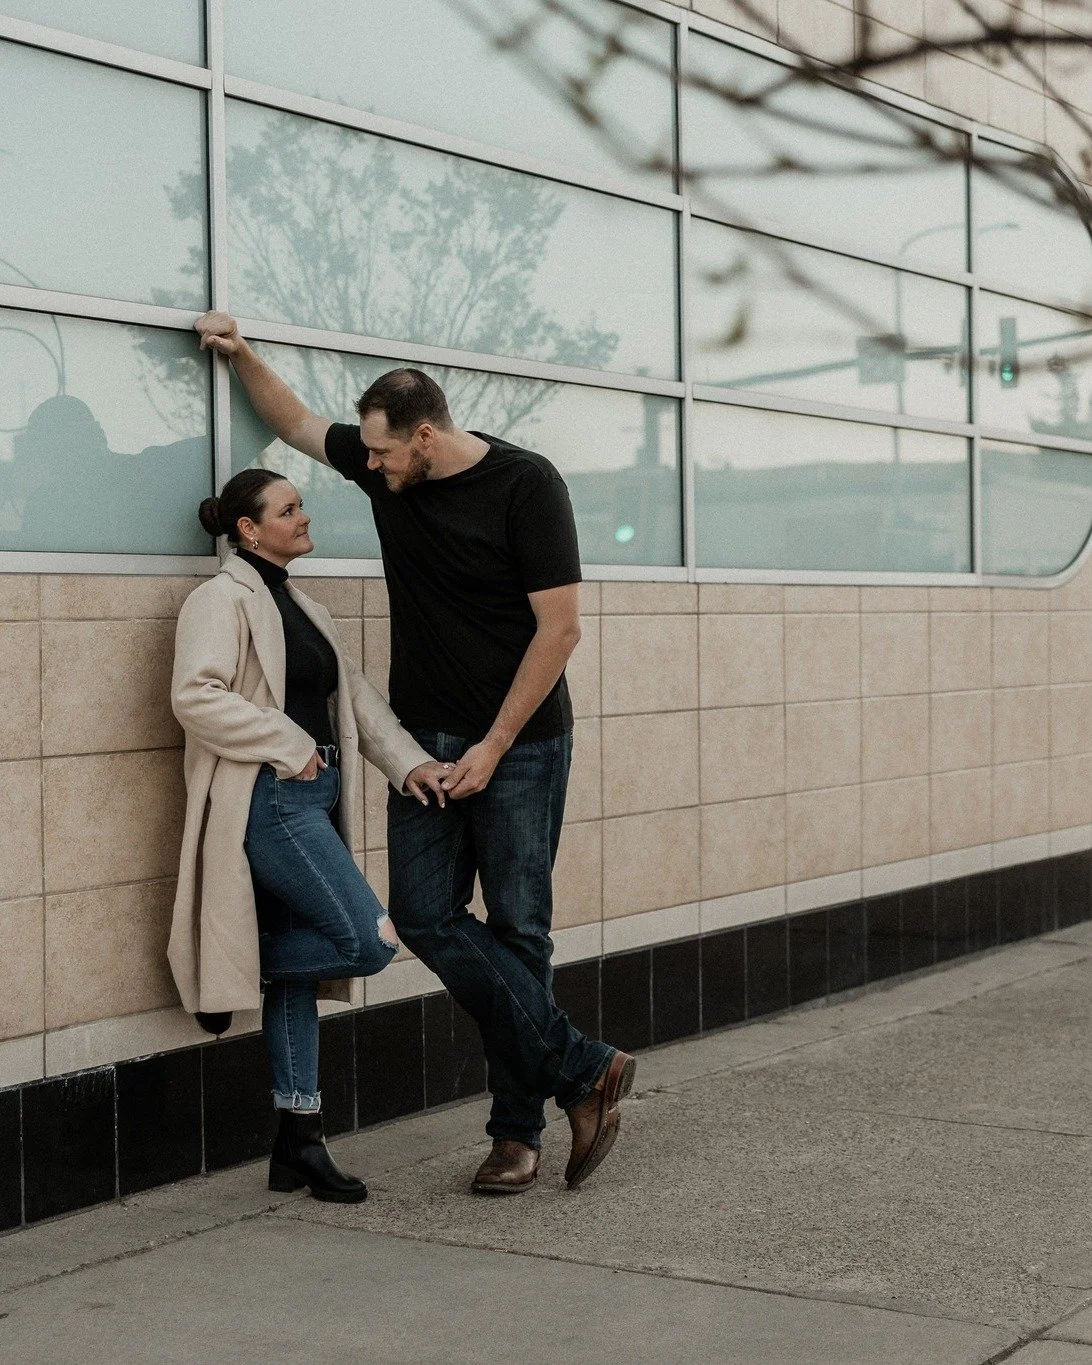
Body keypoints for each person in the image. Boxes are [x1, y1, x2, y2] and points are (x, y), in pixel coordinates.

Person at [194, 311, 637, 1194]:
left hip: (522, 743)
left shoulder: (527, 486)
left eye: (387, 454)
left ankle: (517, 1134)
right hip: (425, 742)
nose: (374, 468)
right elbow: (291, 421)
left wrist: (495, 745)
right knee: (425, 915)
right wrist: (242, 355)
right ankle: (582, 1065)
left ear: (425, 435)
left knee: (519, 929)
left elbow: (560, 631)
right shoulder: (382, 462)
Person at [169, 466, 450, 1203]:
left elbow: (355, 697)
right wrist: (287, 742)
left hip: (316, 795)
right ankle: (228, 964)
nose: (303, 515)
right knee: (370, 940)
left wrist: (409, 764)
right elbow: (195, 695)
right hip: (272, 800)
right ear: (249, 529)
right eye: (288, 508)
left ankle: (300, 1139)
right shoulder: (218, 599)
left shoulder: (305, 606)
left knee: (301, 977)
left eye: (301, 504)